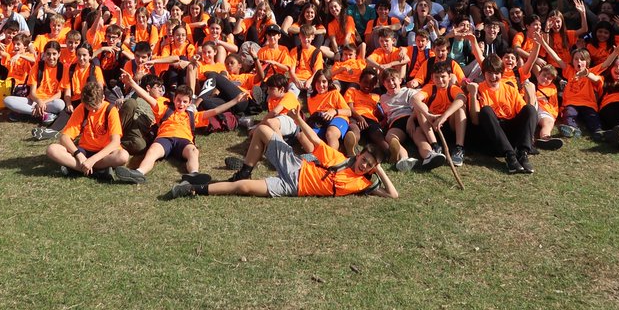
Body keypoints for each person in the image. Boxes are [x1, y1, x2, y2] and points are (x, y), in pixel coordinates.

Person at [166, 106, 398, 200]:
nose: (365, 166)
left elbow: (393, 195)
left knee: (244, 189)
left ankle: (193, 189)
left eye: (369, 165)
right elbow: (316, 140)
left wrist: (380, 170)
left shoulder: (362, 184)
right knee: (264, 129)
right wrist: (298, 120)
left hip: (293, 189)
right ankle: (246, 169)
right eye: (365, 160)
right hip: (296, 167)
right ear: (358, 155)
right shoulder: (339, 159)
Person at [108, 85, 245, 184]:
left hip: (184, 141)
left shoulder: (193, 116)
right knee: (153, 151)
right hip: (164, 138)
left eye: (185, 101)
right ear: (174, 99)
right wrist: (131, 82)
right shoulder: (165, 110)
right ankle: (139, 173)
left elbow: (215, 110)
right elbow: (146, 96)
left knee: (193, 151)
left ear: (189, 102)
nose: (181, 104)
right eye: (179, 100)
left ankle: (193, 175)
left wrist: (235, 101)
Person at [45, 78, 131, 178]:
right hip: (84, 150)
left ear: (103, 98)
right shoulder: (82, 108)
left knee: (123, 156)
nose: (93, 111)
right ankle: (96, 171)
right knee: (52, 149)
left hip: (104, 153)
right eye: (89, 107)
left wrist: (93, 160)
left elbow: (115, 142)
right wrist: (78, 154)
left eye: (95, 107)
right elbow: (65, 137)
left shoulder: (110, 110)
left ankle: (78, 168)